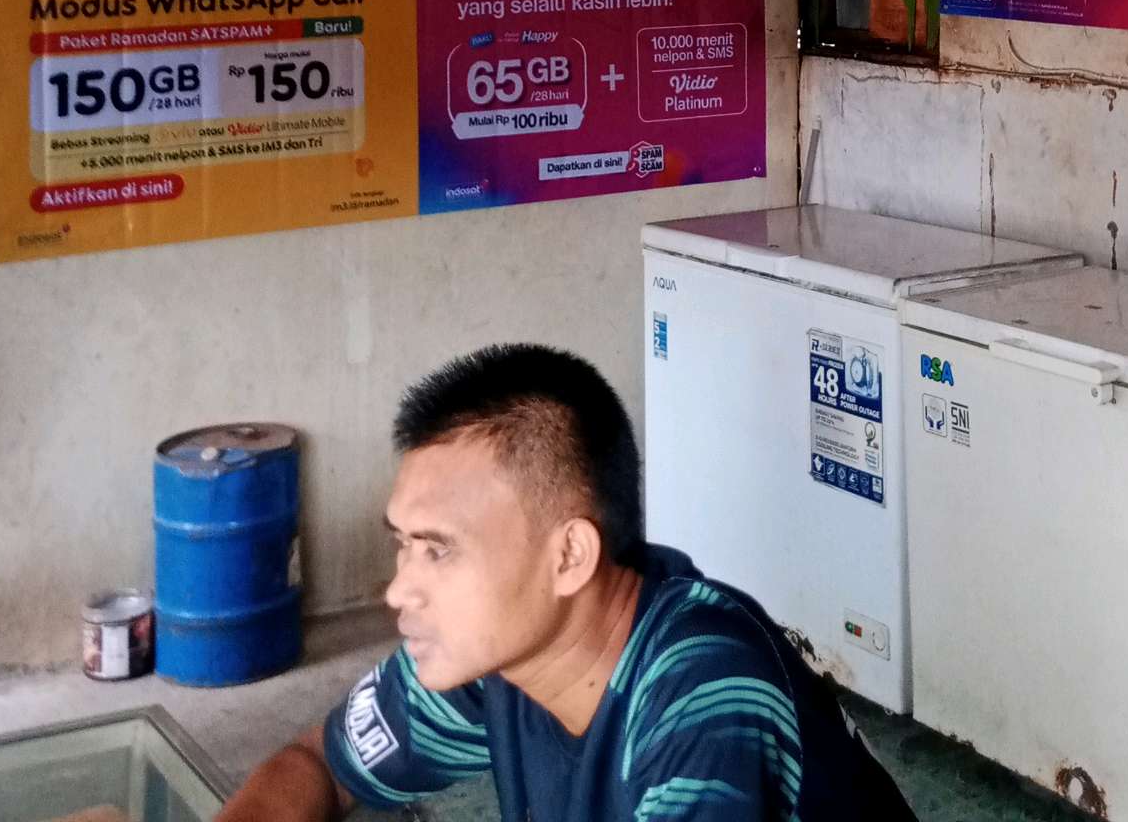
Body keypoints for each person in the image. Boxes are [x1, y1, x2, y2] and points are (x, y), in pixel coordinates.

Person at [220, 343, 918, 822]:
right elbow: (318, 762)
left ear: (569, 557)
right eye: (404, 545)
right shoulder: (499, 657)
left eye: (439, 552)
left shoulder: (702, 693)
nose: (399, 591)